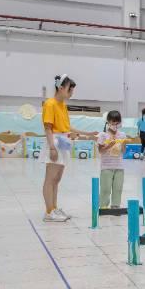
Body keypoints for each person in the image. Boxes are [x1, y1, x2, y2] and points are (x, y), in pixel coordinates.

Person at [40, 74, 97, 222]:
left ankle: (54, 208)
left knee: (57, 179)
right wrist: (52, 147)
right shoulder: (50, 104)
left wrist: (88, 133)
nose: (71, 93)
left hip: (64, 143)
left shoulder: (63, 105)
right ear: (61, 87)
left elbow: (67, 127)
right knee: (50, 178)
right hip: (55, 142)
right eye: (69, 90)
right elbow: (48, 128)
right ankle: (48, 212)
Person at [97, 111, 127, 209]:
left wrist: (122, 143)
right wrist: (109, 146)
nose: (115, 125)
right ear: (108, 122)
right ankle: (103, 206)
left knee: (118, 188)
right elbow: (100, 151)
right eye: (112, 123)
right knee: (105, 189)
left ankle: (115, 206)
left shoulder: (122, 135)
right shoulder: (102, 135)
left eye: (117, 123)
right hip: (106, 166)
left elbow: (123, 151)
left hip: (119, 166)